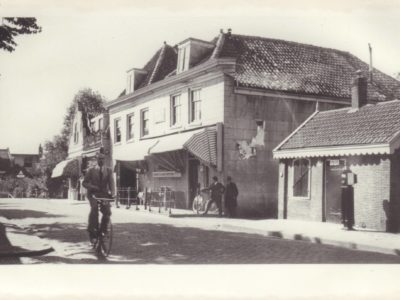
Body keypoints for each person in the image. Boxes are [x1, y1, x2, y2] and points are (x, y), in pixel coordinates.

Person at [82, 152, 115, 240]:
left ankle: (104, 229)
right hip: (92, 194)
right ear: (96, 160)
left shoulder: (108, 170)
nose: (101, 160)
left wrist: (113, 193)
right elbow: (84, 183)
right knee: (94, 208)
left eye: (103, 159)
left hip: (103, 194)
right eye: (99, 159)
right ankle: (92, 229)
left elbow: (111, 182)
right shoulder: (91, 170)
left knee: (107, 211)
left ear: (105, 160)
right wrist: (93, 187)